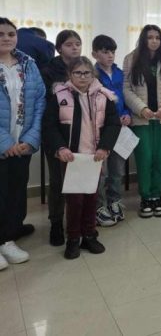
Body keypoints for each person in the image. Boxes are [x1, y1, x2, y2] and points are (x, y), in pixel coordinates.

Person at [42, 57, 120, 259]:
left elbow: (113, 124)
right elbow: (49, 126)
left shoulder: (104, 96)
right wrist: (60, 148)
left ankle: (89, 235)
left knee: (91, 198)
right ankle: (73, 238)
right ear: (70, 75)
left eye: (87, 73)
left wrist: (105, 147)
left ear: (93, 75)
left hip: (94, 157)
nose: (83, 77)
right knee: (74, 201)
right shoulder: (59, 96)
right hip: (72, 159)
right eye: (78, 73)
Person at [123, 25, 161, 219]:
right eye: (150, 37)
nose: (154, 41)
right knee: (145, 158)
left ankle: (157, 196)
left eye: (157, 37)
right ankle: (145, 197)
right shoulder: (131, 59)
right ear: (143, 39)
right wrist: (141, 108)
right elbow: (126, 89)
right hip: (142, 119)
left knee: (160, 158)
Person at [0, 18, 45, 269]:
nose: (6, 38)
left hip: (23, 143)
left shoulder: (28, 64)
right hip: (3, 144)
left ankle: (9, 236)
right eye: (1, 34)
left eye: (11, 34)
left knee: (16, 191)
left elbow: (39, 101)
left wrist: (30, 138)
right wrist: (5, 142)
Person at [42, 29, 82, 247]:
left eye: (78, 43)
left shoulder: (84, 68)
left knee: (79, 180)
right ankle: (56, 223)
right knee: (58, 181)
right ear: (59, 48)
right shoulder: (48, 71)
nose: (74, 47)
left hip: (81, 132)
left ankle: (77, 222)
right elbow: (45, 106)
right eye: (69, 44)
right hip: (56, 133)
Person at [92, 34, 131, 227]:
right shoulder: (92, 74)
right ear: (95, 54)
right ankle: (99, 206)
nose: (110, 55)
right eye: (105, 51)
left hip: (121, 127)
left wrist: (128, 114)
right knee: (100, 170)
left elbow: (127, 97)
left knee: (117, 169)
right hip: (101, 128)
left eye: (113, 52)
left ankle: (114, 201)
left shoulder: (120, 73)